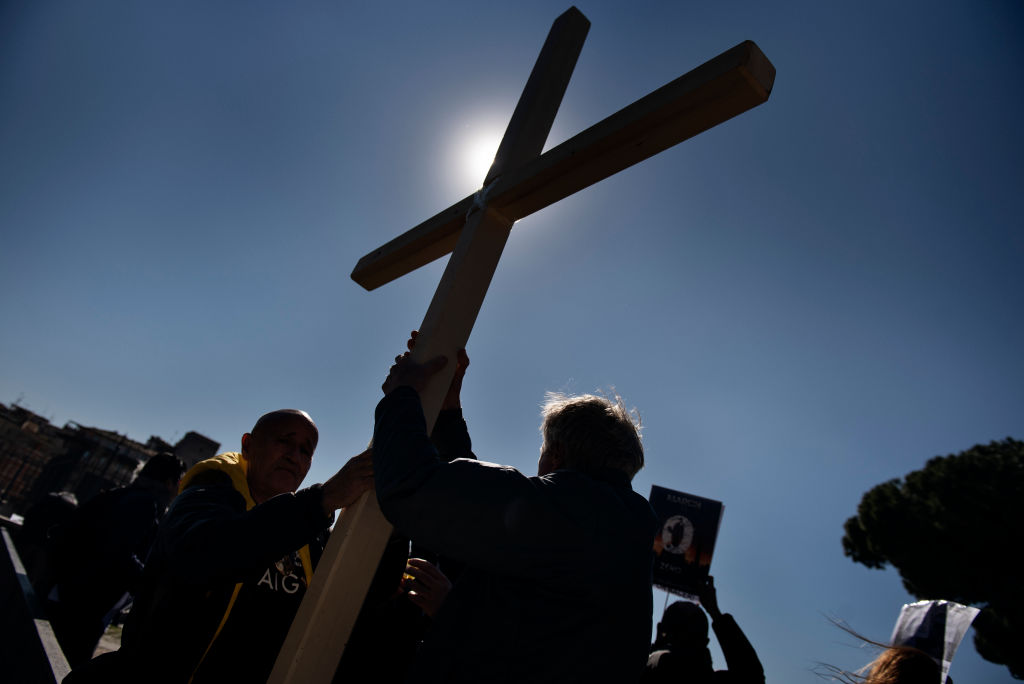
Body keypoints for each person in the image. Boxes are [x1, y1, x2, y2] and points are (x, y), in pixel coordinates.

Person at [373, 338, 658, 683]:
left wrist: (402, 395)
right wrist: (448, 416)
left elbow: (412, 487)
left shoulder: (567, 513)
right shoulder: (614, 533)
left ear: (556, 455)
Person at [65, 409, 373, 683]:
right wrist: (323, 499)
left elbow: (353, 598)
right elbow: (205, 554)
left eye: (306, 450)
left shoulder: (309, 534)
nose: (294, 455)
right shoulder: (205, 497)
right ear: (248, 445)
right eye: (284, 441)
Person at [43, 453, 185, 667]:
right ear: (169, 482)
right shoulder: (144, 504)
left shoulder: (122, 495)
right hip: (85, 604)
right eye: (179, 482)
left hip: (71, 594)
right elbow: (119, 552)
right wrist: (150, 584)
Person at [642, 576, 765, 683]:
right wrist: (715, 612)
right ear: (705, 642)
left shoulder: (639, 671)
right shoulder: (709, 679)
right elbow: (753, 676)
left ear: (661, 631)